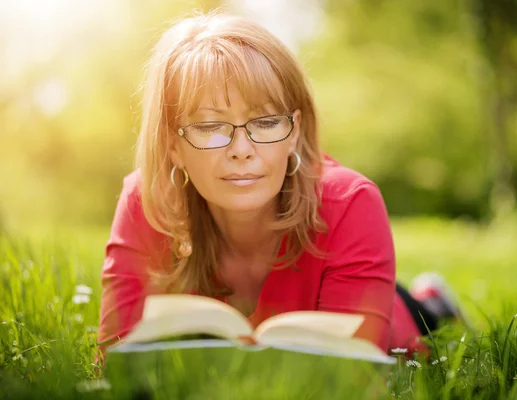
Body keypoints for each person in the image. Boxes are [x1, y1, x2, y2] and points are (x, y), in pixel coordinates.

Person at [98, 12, 463, 358]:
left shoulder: (351, 203)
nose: (242, 150)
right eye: (210, 127)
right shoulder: (144, 202)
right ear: (173, 145)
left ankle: (433, 301)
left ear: (294, 132)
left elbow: (356, 379)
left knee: (423, 321)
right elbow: (116, 363)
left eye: (267, 122)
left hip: (397, 320)